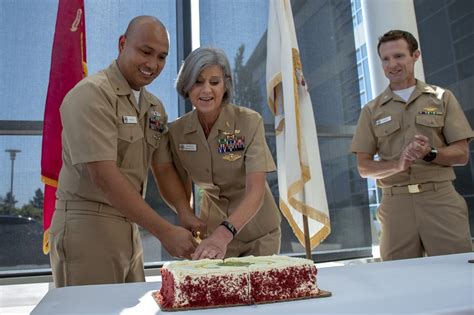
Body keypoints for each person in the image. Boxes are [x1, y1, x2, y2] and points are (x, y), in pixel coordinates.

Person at [49, 16, 200, 287]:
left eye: (162, 56)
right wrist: (165, 231)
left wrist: (184, 211)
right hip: (88, 228)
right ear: (122, 44)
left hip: (130, 228)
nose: (152, 64)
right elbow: (104, 178)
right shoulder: (91, 95)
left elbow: (163, 167)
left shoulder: (154, 107)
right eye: (145, 51)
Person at [351, 29, 473, 261]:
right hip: (395, 205)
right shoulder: (371, 110)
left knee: (456, 274)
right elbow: (364, 167)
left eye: (399, 56)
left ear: (415, 55)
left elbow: (462, 154)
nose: (392, 64)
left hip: (440, 200)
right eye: (385, 59)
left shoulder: (441, 98)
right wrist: (398, 164)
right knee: (398, 279)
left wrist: (430, 153)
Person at [161, 47, 282, 260]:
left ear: (225, 85)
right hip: (212, 231)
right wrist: (188, 218)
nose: (206, 90)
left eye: (214, 82)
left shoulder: (249, 122)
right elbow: (181, 190)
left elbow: (256, 190)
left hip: (259, 233)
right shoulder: (177, 133)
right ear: (186, 85)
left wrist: (223, 234)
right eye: (198, 82)